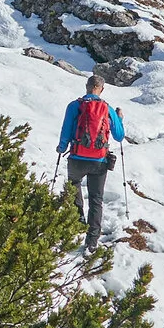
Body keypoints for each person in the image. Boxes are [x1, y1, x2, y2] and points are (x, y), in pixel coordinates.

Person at [57, 75, 126, 250]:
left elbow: (66, 129)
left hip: (77, 157)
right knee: (96, 199)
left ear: (87, 86)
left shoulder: (75, 105)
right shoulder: (107, 109)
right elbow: (119, 136)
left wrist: (61, 146)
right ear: (101, 89)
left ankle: (77, 220)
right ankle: (92, 241)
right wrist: (120, 119)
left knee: (73, 185)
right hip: (99, 160)